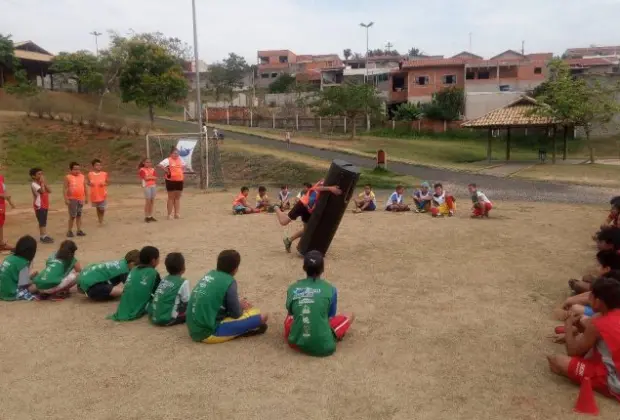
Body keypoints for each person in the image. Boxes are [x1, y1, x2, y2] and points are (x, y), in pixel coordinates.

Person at [548, 276, 620, 401]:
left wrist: (568, 325)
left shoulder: (597, 323)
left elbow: (573, 351)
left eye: (591, 295)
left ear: (598, 301)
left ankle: (605, 384)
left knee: (556, 361)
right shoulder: (607, 315)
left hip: (613, 379)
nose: (588, 298)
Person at [186, 250, 269, 343]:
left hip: (192, 326)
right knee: (262, 316)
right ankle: (244, 330)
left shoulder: (210, 274)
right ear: (235, 269)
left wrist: (237, 304)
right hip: (207, 332)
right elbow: (236, 314)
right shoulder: (229, 281)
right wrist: (240, 306)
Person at [284, 250, 354, 356]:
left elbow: (291, 313)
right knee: (350, 315)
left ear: (304, 268)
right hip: (324, 347)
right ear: (322, 269)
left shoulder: (292, 288)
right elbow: (329, 316)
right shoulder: (330, 289)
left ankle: (299, 335)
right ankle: (329, 336)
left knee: (290, 318)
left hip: (295, 343)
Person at [275, 180, 342, 253]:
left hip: (309, 210)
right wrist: (330, 188)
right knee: (283, 222)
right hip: (303, 204)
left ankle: (289, 240)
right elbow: (316, 188)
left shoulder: (333, 184)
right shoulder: (325, 181)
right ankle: (276, 207)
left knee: (307, 230)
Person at [109, 246, 161, 322]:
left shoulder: (134, 269)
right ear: (153, 261)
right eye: (158, 258)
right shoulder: (153, 273)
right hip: (137, 308)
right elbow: (158, 291)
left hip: (124, 306)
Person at [149, 252, 190, 326]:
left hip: (155, 316)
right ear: (183, 267)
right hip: (168, 319)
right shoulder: (183, 282)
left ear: (167, 268)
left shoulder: (164, 279)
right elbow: (186, 301)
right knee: (192, 308)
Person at [0, 235, 38, 301]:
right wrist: (34, 280)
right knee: (37, 286)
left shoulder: (9, 258)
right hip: (10, 293)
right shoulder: (23, 263)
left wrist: (30, 276)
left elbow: (12, 276)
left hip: (1, 291)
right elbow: (23, 284)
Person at [158, 146, 185, 220]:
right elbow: (160, 165)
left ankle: (177, 213)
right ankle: (169, 214)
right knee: (171, 198)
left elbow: (184, 166)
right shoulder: (168, 160)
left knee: (177, 198)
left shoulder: (180, 160)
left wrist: (181, 173)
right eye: (174, 153)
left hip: (179, 180)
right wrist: (166, 170)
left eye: (177, 153)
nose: (176, 155)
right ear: (171, 154)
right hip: (170, 181)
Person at [64, 162, 88, 238]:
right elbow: (65, 189)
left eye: (78, 169)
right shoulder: (68, 177)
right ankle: (69, 231)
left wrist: (86, 197)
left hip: (80, 199)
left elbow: (85, 187)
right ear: (71, 169)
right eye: (75, 169)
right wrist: (66, 199)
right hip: (72, 199)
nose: (77, 171)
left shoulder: (82, 176)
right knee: (72, 216)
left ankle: (79, 230)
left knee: (79, 215)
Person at [30, 167, 54, 244]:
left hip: (45, 204)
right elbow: (42, 191)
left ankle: (44, 235)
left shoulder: (41, 183)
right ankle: (43, 236)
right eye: (39, 174)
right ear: (33, 176)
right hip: (39, 205)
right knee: (42, 220)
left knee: (44, 220)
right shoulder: (34, 184)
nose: (41, 175)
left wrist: (44, 183)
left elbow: (50, 190)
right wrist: (43, 183)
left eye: (41, 174)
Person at [88, 159, 109, 225]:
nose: (99, 166)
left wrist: (104, 184)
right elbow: (88, 182)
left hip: (102, 194)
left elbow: (108, 182)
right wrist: (90, 184)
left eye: (100, 165)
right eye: (97, 165)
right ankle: (100, 220)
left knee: (102, 208)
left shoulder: (104, 174)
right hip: (94, 194)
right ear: (93, 166)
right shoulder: (90, 174)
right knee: (97, 208)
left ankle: (101, 219)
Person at [0, 169, 16, 251]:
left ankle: (1, 243)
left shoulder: (1, 178)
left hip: (1, 205)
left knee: (1, 223)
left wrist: (10, 202)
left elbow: (4, 191)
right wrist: (3, 196)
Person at [138, 158, 157, 223]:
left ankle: (150, 215)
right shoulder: (142, 170)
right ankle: (146, 216)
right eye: (147, 162)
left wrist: (150, 177)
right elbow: (145, 178)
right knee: (148, 201)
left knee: (152, 201)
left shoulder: (152, 169)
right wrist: (151, 177)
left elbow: (155, 177)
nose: (148, 163)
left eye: (149, 162)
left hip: (153, 186)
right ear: (144, 163)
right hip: (146, 186)